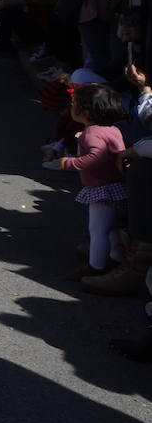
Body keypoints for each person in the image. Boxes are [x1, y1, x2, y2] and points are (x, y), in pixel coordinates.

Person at [43, 83, 128, 280]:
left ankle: (95, 266)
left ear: (86, 111)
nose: (71, 107)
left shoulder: (92, 133)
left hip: (102, 188)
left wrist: (69, 163)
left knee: (97, 230)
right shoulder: (111, 129)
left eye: (74, 104)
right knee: (111, 228)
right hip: (117, 186)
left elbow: (96, 157)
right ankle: (116, 257)